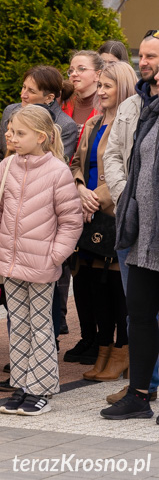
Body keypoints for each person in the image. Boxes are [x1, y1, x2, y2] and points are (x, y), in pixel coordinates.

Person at [0, 105, 82, 416]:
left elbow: (71, 221)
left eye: (19, 133)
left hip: (41, 267)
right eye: (11, 131)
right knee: (20, 325)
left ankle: (41, 388)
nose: (11, 136)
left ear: (41, 137)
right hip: (9, 263)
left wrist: (54, 255)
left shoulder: (57, 171)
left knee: (41, 326)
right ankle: (22, 383)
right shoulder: (7, 166)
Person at [100, 33, 159, 422]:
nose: (144, 61)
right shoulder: (137, 106)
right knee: (138, 314)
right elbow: (117, 156)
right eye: (143, 54)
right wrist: (126, 201)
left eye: (153, 56)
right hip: (141, 231)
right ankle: (138, 396)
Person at [69, 60, 137, 383]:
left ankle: (122, 353)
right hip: (89, 215)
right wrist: (81, 189)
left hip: (112, 212)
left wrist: (97, 197)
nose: (101, 91)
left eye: (107, 86)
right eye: (100, 86)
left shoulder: (132, 123)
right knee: (96, 287)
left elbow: (126, 169)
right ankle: (103, 349)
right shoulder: (93, 123)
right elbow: (78, 163)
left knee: (115, 289)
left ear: (122, 87)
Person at [0, 66, 79, 164]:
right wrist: (2, 175)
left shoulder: (65, 125)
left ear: (49, 98)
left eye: (31, 91)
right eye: (24, 87)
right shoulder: (10, 111)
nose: (23, 95)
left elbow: (58, 165)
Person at [62, 50, 102, 128]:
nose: (73, 74)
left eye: (81, 69)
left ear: (97, 75)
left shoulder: (107, 107)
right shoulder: (62, 103)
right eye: (71, 70)